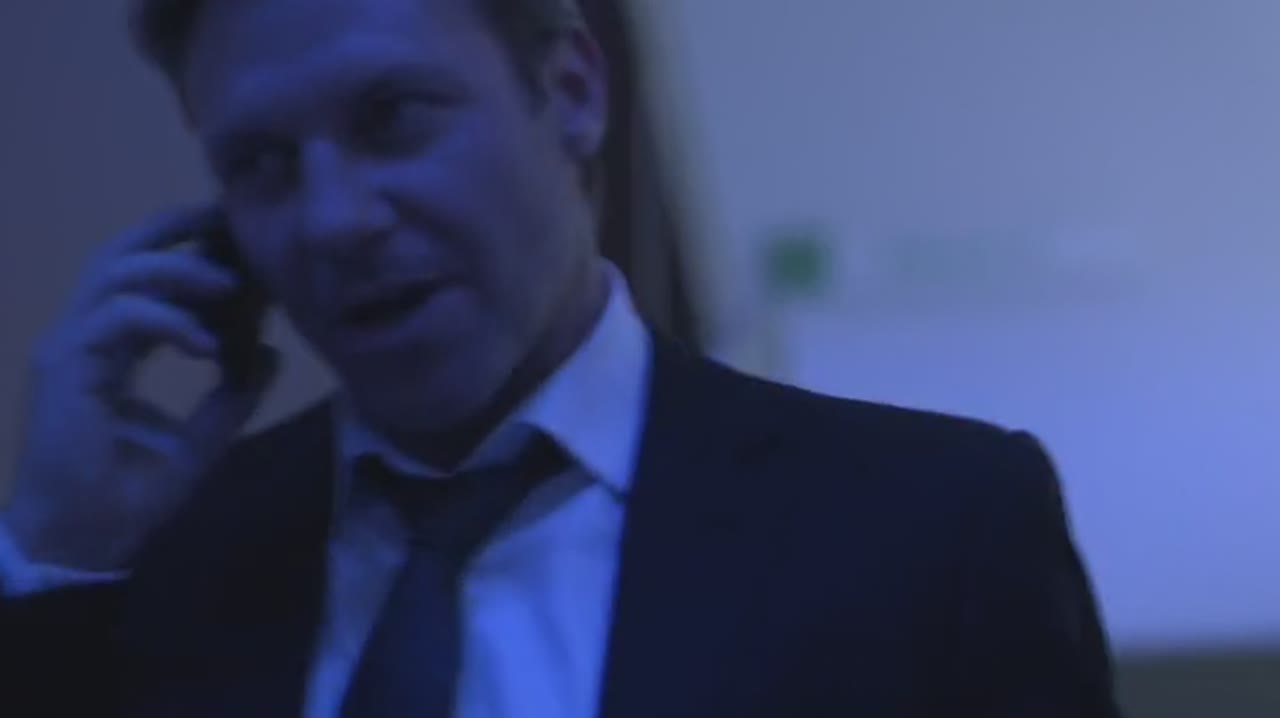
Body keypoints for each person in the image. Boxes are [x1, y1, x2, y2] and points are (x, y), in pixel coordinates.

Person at [0, 0, 1123, 716]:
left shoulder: (933, 528)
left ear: (572, 93)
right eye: (260, 164)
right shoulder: (157, 566)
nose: (332, 220)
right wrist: (56, 547)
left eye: (393, 118)